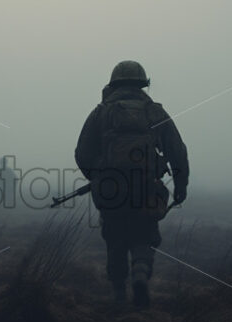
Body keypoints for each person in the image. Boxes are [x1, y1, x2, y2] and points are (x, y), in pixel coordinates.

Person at [75, 60, 189, 307]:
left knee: (115, 238)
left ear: (113, 84)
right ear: (143, 84)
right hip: (147, 187)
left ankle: (118, 295)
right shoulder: (155, 112)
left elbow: (82, 154)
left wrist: (97, 177)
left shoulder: (100, 113)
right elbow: (178, 152)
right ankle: (139, 272)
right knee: (144, 234)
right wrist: (181, 186)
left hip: (109, 191)